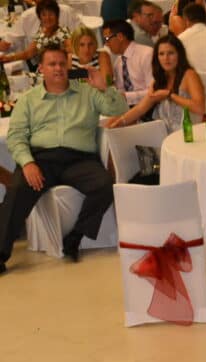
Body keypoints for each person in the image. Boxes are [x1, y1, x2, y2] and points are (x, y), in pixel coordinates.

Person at [0, 46, 128, 275]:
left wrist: (103, 87)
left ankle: (75, 236)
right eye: (52, 64)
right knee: (17, 189)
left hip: (79, 159)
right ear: (41, 68)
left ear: (68, 66)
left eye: (62, 63)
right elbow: (16, 136)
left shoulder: (87, 92)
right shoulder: (28, 100)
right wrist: (28, 163)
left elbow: (118, 108)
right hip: (41, 159)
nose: (58, 68)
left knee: (104, 186)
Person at [104, 34, 206, 131]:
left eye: (171, 53)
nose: (166, 58)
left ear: (179, 55)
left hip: (185, 132)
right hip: (161, 131)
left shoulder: (189, 75)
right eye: (161, 54)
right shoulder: (160, 79)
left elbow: (200, 108)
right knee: (117, 131)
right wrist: (121, 121)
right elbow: (140, 108)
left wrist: (170, 95)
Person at [0, 1, 71, 71]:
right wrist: (9, 58)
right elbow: (28, 54)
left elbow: (70, 51)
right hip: (43, 70)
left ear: (57, 15)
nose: (47, 18)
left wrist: (66, 69)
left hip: (59, 69)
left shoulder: (62, 32)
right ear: (40, 17)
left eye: (51, 14)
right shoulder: (42, 34)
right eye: (44, 15)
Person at [103, 20, 155, 105]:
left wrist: (126, 96)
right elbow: (121, 89)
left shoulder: (147, 54)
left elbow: (154, 90)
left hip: (151, 109)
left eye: (107, 39)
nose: (106, 44)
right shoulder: (119, 61)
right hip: (129, 109)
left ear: (120, 36)